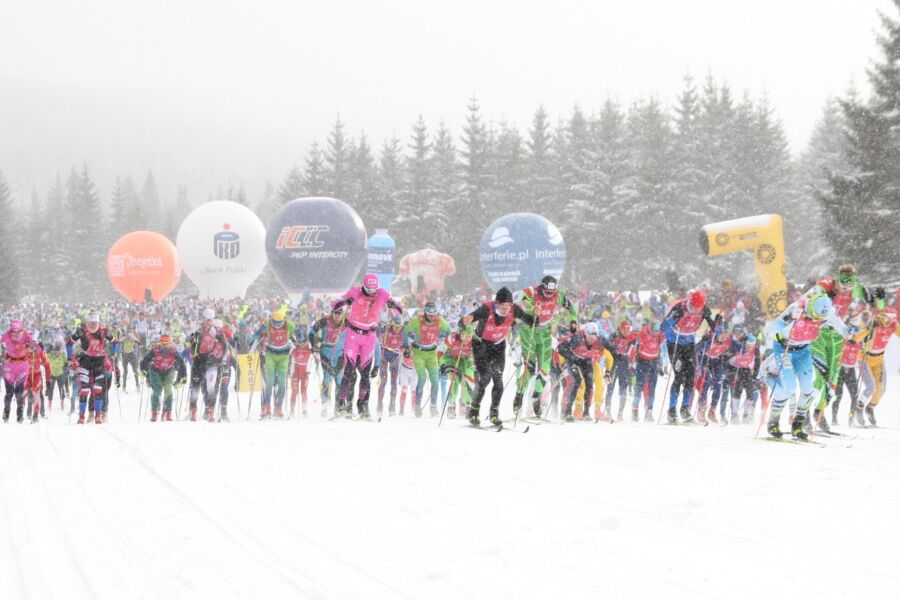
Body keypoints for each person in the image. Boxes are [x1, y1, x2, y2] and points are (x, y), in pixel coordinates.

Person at [765, 293, 847, 439]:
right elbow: (772, 331)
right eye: (815, 316)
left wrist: (851, 333)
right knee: (789, 388)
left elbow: (843, 329)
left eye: (821, 318)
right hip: (785, 349)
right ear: (810, 308)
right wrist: (779, 334)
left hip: (803, 351)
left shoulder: (828, 313)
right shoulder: (795, 310)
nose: (818, 320)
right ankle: (773, 422)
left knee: (808, 388)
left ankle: (797, 425)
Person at [459, 287, 537, 426]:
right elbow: (464, 321)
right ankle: (474, 411)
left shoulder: (515, 310)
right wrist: (465, 321)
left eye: (508, 305)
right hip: (481, 344)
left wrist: (536, 315)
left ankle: (494, 413)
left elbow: (532, 322)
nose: (506, 309)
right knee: (485, 378)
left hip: (499, 346)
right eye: (503, 305)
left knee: (498, 380)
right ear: (496, 303)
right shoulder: (486, 309)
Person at [331, 274, 403, 418]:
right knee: (349, 370)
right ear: (363, 286)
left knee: (365, 374)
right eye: (368, 290)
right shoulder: (355, 292)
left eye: (374, 290)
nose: (371, 293)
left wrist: (393, 306)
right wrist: (345, 301)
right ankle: (341, 404)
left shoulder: (382, 293)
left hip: (369, 336)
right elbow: (335, 304)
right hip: (353, 335)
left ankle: (363, 407)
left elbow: (399, 310)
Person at [513, 275, 577, 418]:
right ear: (541, 287)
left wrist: (573, 322)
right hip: (529, 331)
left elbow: (571, 309)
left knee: (545, 371)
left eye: (552, 292)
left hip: (545, 335)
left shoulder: (558, 295)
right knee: (529, 369)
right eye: (546, 292)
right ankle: (518, 396)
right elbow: (511, 301)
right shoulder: (531, 292)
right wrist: (522, 315)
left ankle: (536, 397)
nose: (549, 295)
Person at [661, 289, 720, 424]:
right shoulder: (679, 307)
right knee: (679, 376)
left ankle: (685, 410)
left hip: (689, 344)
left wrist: (716, 324)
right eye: (694, 307)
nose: (696, 310)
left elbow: (715, 329)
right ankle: (671, 411)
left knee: (691, 377)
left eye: (698, 308)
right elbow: (663, 326)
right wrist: (674, 319)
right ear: (690, 303)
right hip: (675, 343)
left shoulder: (704, 309)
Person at [859, 288, 899, 425]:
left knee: (881, 389)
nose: (889, 321)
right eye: (887, 318)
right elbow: (863, 328)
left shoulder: (892, 325)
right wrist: (855, 338)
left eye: (892, 318)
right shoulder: (875, 320)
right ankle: (859, 408)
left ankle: (870, 408)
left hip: (879, 358)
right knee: (871, 387)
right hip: (865, 357)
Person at [403, 301, 450, 417]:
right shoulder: (417, 319)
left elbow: (448, 329)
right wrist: (406, 344)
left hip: (432, 354)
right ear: (425, 313)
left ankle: (433, 407)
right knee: (422, 378)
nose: (432, 317)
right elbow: (405, 331)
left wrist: (442, 335)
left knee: (435, 380)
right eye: (429, 315)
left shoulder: (439, 320)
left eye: (433, 315)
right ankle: (418, 407)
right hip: (419, 353)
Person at [557, 322, 611, 421]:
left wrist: (608, 371)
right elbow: (561, 349)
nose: (594, 342)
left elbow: (609, 358)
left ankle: (587, 412)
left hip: (588, 362)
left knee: (592, 384)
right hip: (571, 361)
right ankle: (568, 410)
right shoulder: (576, 338)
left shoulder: (600, 345)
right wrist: (563, 364)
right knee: (574, 384)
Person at [69, 312, 116, 424]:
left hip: (100, 362)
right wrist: (69, 358)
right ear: (87, 322)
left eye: (95, 323)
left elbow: (115, 342)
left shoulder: (104, 331)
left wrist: (115, 354)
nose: (93, 325)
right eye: (91, 323)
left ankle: (99, 416)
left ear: (98, 323)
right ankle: (82, 416)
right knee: (84, 390)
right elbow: (69, 343)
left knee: (98, 390)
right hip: (85, 361)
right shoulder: (81, 331)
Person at [187, 308, 229, 422]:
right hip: (198, 361)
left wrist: (223, 360)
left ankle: (210, 412)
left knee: (211, 387)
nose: (208, 322)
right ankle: (193, 411)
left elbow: (225, 346)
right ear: (203, 319)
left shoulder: (218, 331)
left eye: (210, 320)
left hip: (212, 361)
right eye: (206, 320)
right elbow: (187, 339)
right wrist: (193, 335)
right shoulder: (197, 328)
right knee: (195, 388)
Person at [252, 310, 295, 419]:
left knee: (281, 384)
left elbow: (299, 334)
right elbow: (255, 336)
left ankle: (278, 408)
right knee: (269, 383)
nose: (276, 325)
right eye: (274, 322)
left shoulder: (289, 325)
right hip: (270, 355)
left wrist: (298, 336)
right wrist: (258, 336)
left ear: (283, 320)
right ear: (271, 320)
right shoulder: (266, 324)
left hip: (284, 356)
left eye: (279, 322)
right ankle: (266, 407)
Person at [140, 334, 187, 422]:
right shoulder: (155, 350)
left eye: (166, 344)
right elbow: (144, 362)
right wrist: (144, 371)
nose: (164, 346)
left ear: (170, 344)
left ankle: (168, 411)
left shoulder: (173, 351)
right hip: (155, 371)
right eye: (162, 344)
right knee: (157, 389)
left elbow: (182, 363)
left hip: (169, 371)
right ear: (160, 343)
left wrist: (183, 376)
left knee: (168, 389)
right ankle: (155, 411)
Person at [310, 306, 346, 417]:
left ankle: (339, 407)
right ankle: (325, 403)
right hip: (326, 352)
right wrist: (314, 345)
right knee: (327, 378)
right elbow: (311, 331)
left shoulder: (346, 321)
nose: (337, 316)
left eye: (339, 314)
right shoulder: (325, 320)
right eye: (335, 313)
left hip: (340, 354)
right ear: (332, 313)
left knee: (339, 380)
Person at [2, 320, 36, 423]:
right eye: (14, 332)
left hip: (22, 366)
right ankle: (6, 413)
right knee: (9, 392)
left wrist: (31, 346)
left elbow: (34, 346)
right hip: (9, 366)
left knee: (19, 392)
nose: (16, 334)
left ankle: (20, 415)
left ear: (22, 329)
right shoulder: (7, 335)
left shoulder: (26, 334)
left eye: (18, 332)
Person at [632, 319, 667, 422]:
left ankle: (649, 411)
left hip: (654, 363)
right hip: (642, 362)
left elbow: (659, 349)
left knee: (652, 388)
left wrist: (660, 366)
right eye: (655, 330)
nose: (657, 332)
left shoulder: (660, 335)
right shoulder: (644, 333)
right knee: (639, 386)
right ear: (651, 329)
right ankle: (635, 409)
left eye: (658, 330)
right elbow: (634, 338)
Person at [603, 320, 637, 421]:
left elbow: (632, 349)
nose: (627, 331)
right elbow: (607, 348)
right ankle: (607, 410)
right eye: (625, 329)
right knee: (610, 388)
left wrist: (627, 357)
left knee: (623, 389)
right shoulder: (613, 336)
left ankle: (620, 412)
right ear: (620, 329)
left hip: (624, 364)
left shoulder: (631, 337)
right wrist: (615, 352)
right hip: (613, 363)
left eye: (628, 329)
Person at [439, 325, 475, 419]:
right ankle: (451, 405)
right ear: (460, 334)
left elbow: (480, 354)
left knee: (468, 382)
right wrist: (443, 365)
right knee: (454, 381)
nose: (467, 338)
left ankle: (468, 406)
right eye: (464, 336)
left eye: (469, 336)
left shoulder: (475, 342)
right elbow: (443, 353)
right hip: (453, 360)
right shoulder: (452, 340)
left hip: (467, 361)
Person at [376, 316, 405, 417]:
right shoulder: (387, 329)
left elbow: (405, 344)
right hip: (384, 354)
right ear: (392, 325)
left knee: (394, 382)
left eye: (399, 327)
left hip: (395, 356)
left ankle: (392, 406)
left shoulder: (403, 331)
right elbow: (376, 334)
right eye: (395, 327)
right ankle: (379, 404)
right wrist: (380, 328)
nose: (397, 329)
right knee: (383, 381)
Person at [289, 328, 313, 417]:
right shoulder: (294, 348)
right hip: (295, 373)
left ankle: (304, 410)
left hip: (305, 374)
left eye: (304, 342)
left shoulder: (310, 349)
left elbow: (316, 353)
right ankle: (292, 409)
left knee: (303, 391)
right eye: (300, 342)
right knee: (294, 392)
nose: (302, 344)